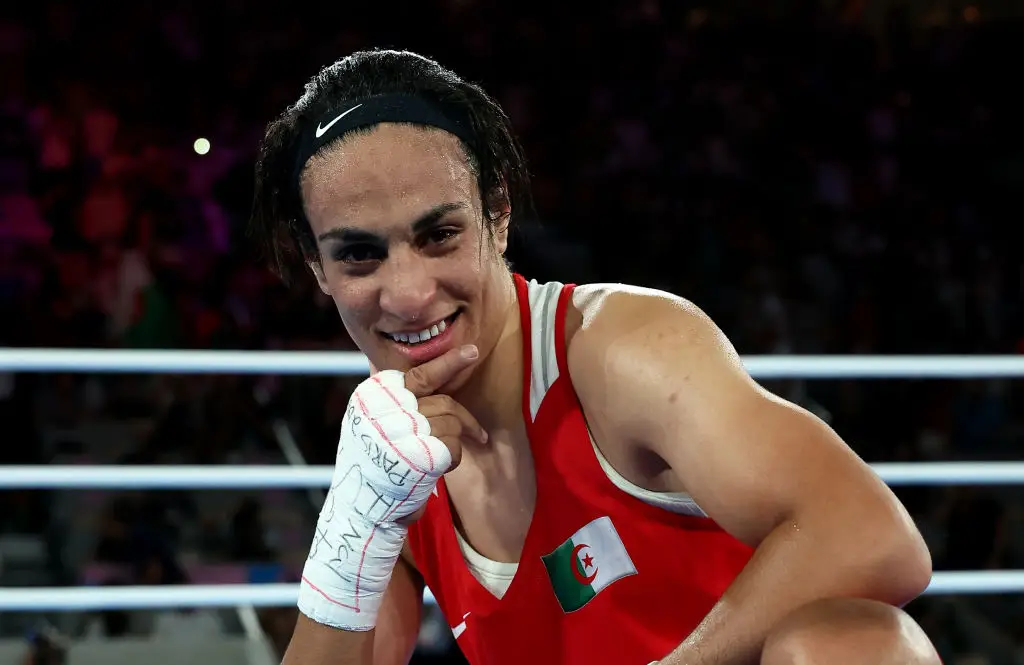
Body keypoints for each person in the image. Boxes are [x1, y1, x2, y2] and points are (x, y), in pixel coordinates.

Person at [250, 49, 940, 665]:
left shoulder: (618, 347)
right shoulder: (395, 460)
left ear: (498, 215)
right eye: (360, 254)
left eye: (440, 235)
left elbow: (872, 535)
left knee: (858, 647)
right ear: (317, 266)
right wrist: (351, 526)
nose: (408, 293)